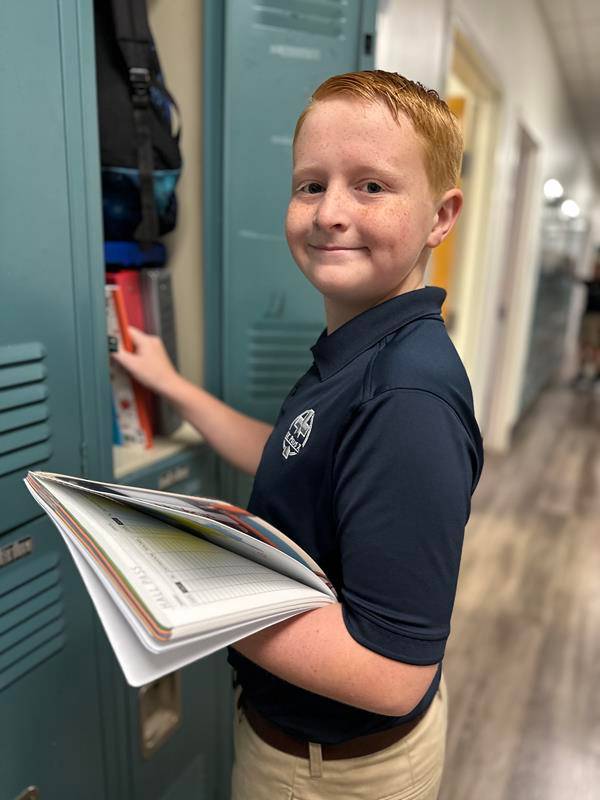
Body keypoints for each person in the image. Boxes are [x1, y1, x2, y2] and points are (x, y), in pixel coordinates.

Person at [113, 70, 484, 800]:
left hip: (330, 777)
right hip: (300, 747)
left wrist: (189, 602)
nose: (329, 212)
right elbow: (292, 454)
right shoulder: (360, 351)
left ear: (441, 217)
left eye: (371, 186)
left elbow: (392, 672)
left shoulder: (405, 396)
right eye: (311, 185)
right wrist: (174, 385)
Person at [573, 256, 600, 389]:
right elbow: (578, 279)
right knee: (584, 345)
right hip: (588, 317)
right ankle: (582, 372)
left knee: (596, 348)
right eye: (595, 269)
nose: (596, 271)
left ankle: (596, 375)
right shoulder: (591, 283)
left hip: (597, 319)